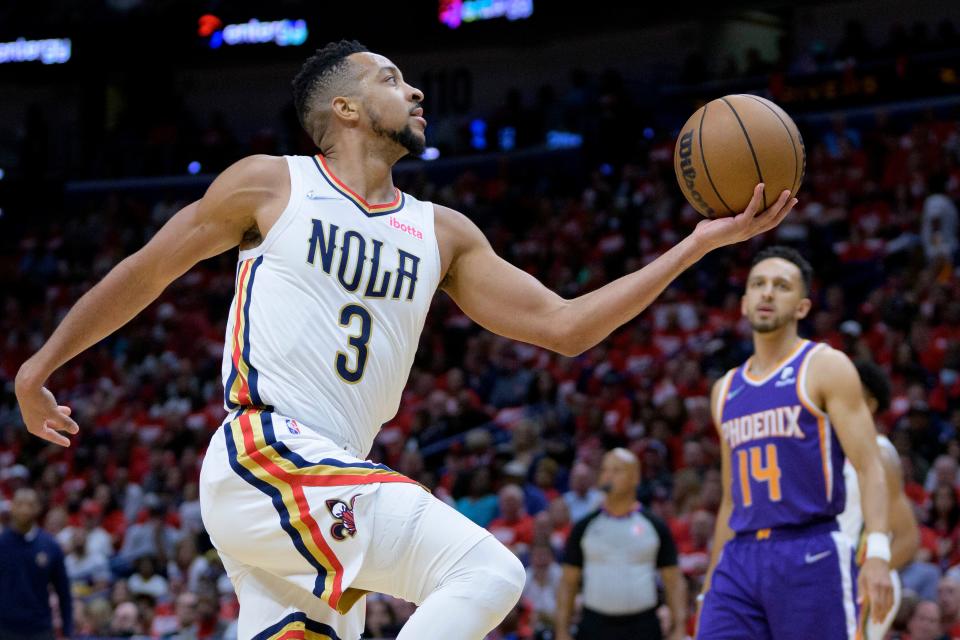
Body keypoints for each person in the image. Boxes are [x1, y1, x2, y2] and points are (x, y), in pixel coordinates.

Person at [14, 39, 795, 639]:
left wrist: (698, 244)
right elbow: (149, 270)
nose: (414, 88)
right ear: (344, 110)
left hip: (320, 486)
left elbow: (567, 327)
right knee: (485, 570)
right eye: (389, 77)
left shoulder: (442, 233)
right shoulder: (272, 183)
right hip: (267, 454)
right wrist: (41, 366)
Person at [697, 246, 894, 640]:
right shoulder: (725, 390)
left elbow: (870, 465)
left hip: (810, 548)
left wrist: (877, 553)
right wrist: (711, 579)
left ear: (802, 307)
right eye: (758, 284)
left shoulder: (825, 366)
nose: (767, 293)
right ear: (743, 303)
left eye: (781, 286)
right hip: (740, 557)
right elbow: (731, 499)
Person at [555, 448, 686, 640]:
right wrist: (561, 629)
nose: (609, 475)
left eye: (617, 470)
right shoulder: (584, 527)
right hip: (594, 626)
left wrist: (679, 627)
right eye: (605, 470)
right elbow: (568, 582)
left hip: (643, 626)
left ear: (635, 477)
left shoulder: (655, 526)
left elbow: (673, 581)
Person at [836, 360, 920, 639]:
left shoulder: (880, 454)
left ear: (870, 404)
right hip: (822, 579)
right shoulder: (823, 450)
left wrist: (869, 575)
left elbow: (908, 539)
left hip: (859, 588)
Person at [0, 488, 73, 640]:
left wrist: (67, 631)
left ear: (38, 508)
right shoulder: (1, 543)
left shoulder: (50, 546)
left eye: (30, 505)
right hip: (4, 627)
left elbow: (63, 591)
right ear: (12, 507)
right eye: (20, 504)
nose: (24, 509)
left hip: (40, 628)